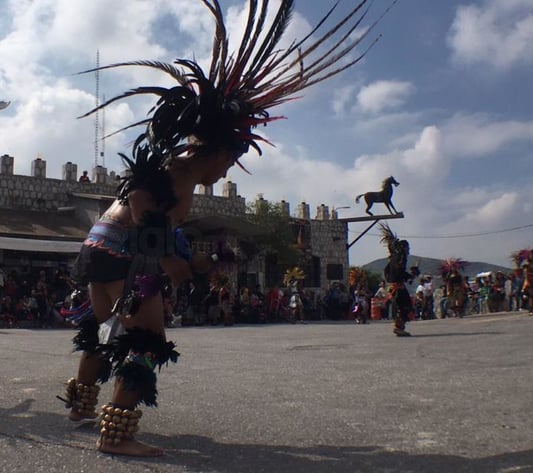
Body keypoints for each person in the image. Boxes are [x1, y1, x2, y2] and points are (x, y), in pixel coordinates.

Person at [61, 0, 382, 456]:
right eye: (231, 160)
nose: (227, 171)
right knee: (146, 340)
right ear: (215, 149)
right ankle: (117, 437)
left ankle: (79, 407)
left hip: (99, 248)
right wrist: (171, 260)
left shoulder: (180, 172)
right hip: (121, 254)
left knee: (102, 327)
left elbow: (161, 229)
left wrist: (203, 261)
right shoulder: (179, 170)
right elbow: (139, 205)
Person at [379, 223, 416, 336]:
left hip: (395, 286)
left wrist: (409, 276)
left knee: (404, 306)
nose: (409, 250)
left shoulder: (395, 259)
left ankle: (399, 326)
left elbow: (395, 273)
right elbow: (398, 273)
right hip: (397, 287)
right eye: (408, 248)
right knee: (404, 306)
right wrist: (409, 275)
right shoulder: (400, 259)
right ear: (404, 248)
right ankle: (399, 327)